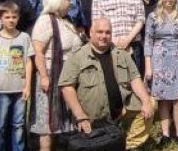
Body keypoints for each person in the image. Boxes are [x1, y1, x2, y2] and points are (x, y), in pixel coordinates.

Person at [59, 17, 156, 149]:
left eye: (107, 32)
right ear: (91, 32)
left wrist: (145, 101)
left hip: (121, 111)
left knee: (151, 103)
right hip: (91, 118)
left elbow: (135, 78)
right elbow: (67, 88)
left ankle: (128, 145)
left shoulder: (122, 54)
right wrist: (80, 115)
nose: (104, 36)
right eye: (100, 32)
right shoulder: (77, 57)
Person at [31, 0, 84, 150]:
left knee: (64, 122)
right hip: (51, 77)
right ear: (58, 2)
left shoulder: (66, 21)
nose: (71, 3)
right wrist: (44, 76)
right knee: (48, 123)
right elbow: (38, 52)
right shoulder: (45, 21)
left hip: (68, 77)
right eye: (68, 0)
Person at [144, 0, 178, 143]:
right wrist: (148, 66)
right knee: (163, 99)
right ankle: (165, 134)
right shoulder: (153, 16)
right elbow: (148, 41)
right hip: (159, 59)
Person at [0, 1, 33, 151]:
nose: (11, 20)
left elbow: (28, 61)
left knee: (18, 124)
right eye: (7, 17)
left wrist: (27, 85)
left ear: (18, 18)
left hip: (20, 89)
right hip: (0, 89)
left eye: (14, 17)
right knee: (0, 125)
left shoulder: (24, 37)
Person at [92, 0, 146, 73]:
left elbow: (140, 21)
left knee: (135, 78)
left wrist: (127, 40)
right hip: (109, 45)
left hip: (133, 45)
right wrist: (113, 41)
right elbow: (96, 24)